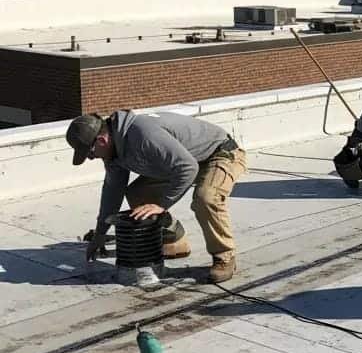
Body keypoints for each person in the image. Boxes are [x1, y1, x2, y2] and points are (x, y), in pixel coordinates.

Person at [66, 110, 248, 283]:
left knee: (206, 197)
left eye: (89, 152)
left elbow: (187, 168)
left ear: (102, 140)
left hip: (220, 154)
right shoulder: (114, 154)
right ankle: (174, 238)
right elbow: (112, 192)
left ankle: (224, 257)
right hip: (184, 162)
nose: (91, 158)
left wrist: (162, 205)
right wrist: (100, 233)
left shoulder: (142, 134)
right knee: (138, 193)